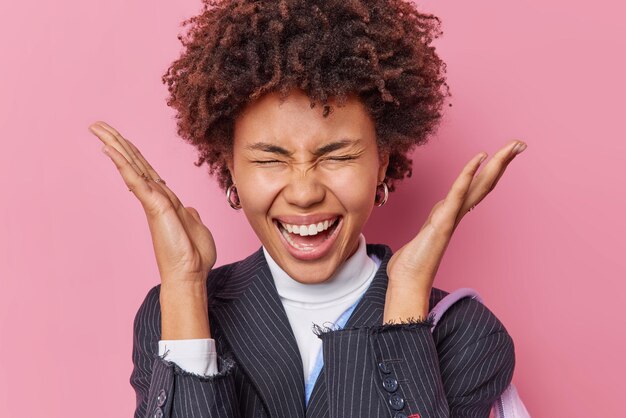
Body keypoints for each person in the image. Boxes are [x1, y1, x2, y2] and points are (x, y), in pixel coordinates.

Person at [89, 0, 527, 417]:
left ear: (382, 165)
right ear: (232, 170)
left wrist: (405, 302)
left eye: (337, 156)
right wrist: (184, 288)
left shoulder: (463, 334)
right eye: (269, 160)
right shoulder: (173, 310)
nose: (303, 193)